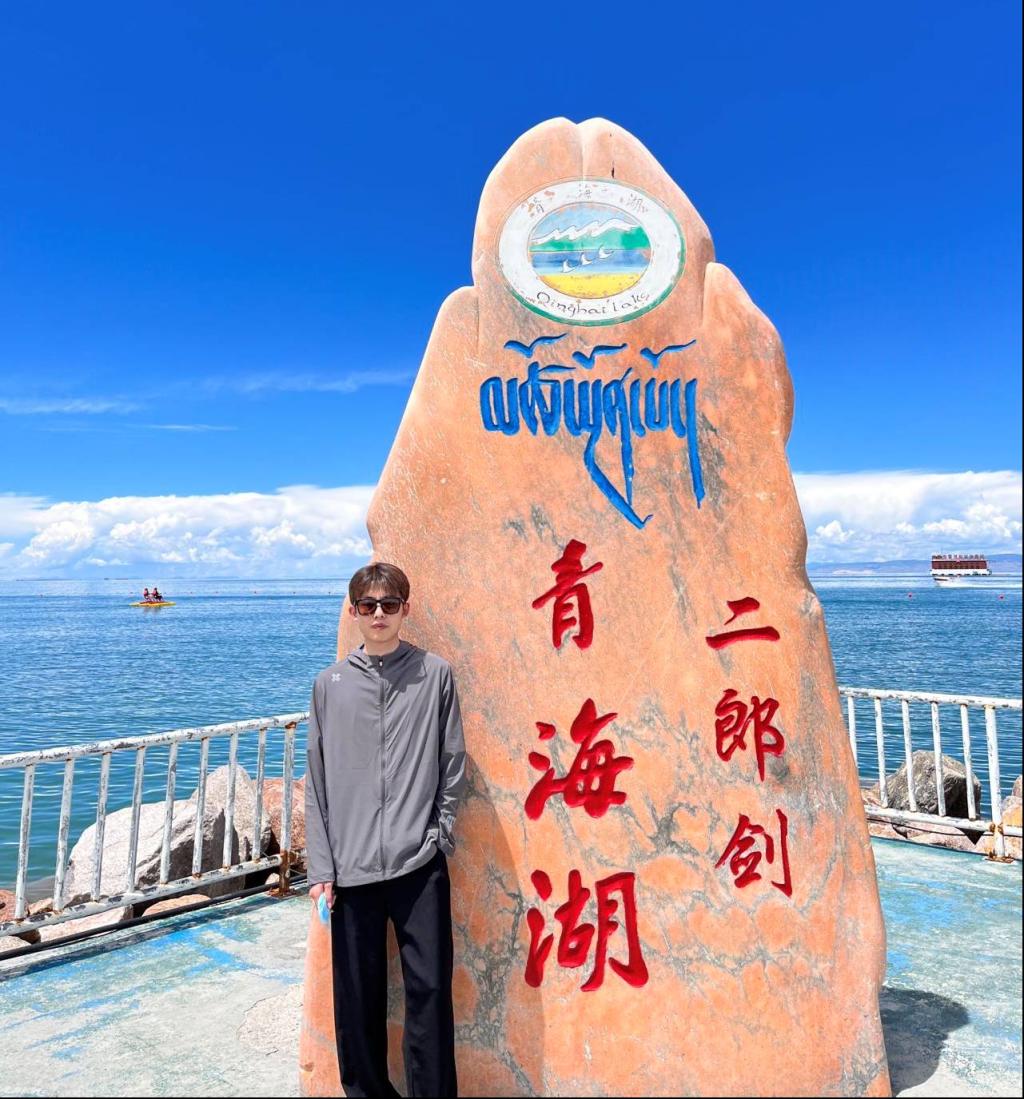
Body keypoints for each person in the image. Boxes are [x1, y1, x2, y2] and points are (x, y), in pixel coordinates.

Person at [305, 562, 466, 1098]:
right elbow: (317, 781)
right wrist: (321, 869)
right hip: (350, 870)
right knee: (356, 1001)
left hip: (419, 864)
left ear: (405, 609)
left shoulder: (434, 675)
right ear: (354, 611)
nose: (379, 614)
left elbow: (452, 759)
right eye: (368, 605)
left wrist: (440, 832)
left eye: (389, 604)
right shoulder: (330, 685)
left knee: (430, 993)